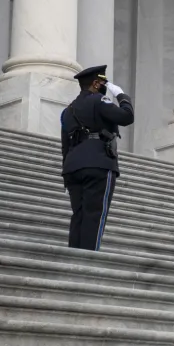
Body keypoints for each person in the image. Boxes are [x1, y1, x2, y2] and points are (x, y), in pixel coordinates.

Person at [60, 65, 134, 251]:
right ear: (95, 84)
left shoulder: (67, 111)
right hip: (99, 163)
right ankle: (88, 263)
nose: (105, 86)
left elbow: (65, 145)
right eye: (103, 83)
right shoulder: (100, 100)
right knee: (95, 215)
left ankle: (72, 259)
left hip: (72, 168)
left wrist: (66, 173)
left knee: (78, 215)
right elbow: (127, 117)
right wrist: (122, 96)